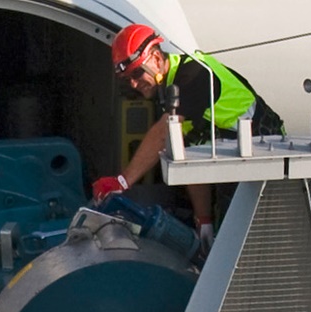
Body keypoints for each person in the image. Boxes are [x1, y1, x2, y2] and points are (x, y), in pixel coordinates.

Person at [92, 23, 285, 252]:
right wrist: (204, 221)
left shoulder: (193, 75)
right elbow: (188, 155)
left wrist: (122, 182)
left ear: (155, 58)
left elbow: (163, 133)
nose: (133, 83)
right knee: (227, 234)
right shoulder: (166, 90)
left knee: (249, 241)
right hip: (235, 156)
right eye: (126, 79)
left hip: (263, 150)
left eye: (136, 72)